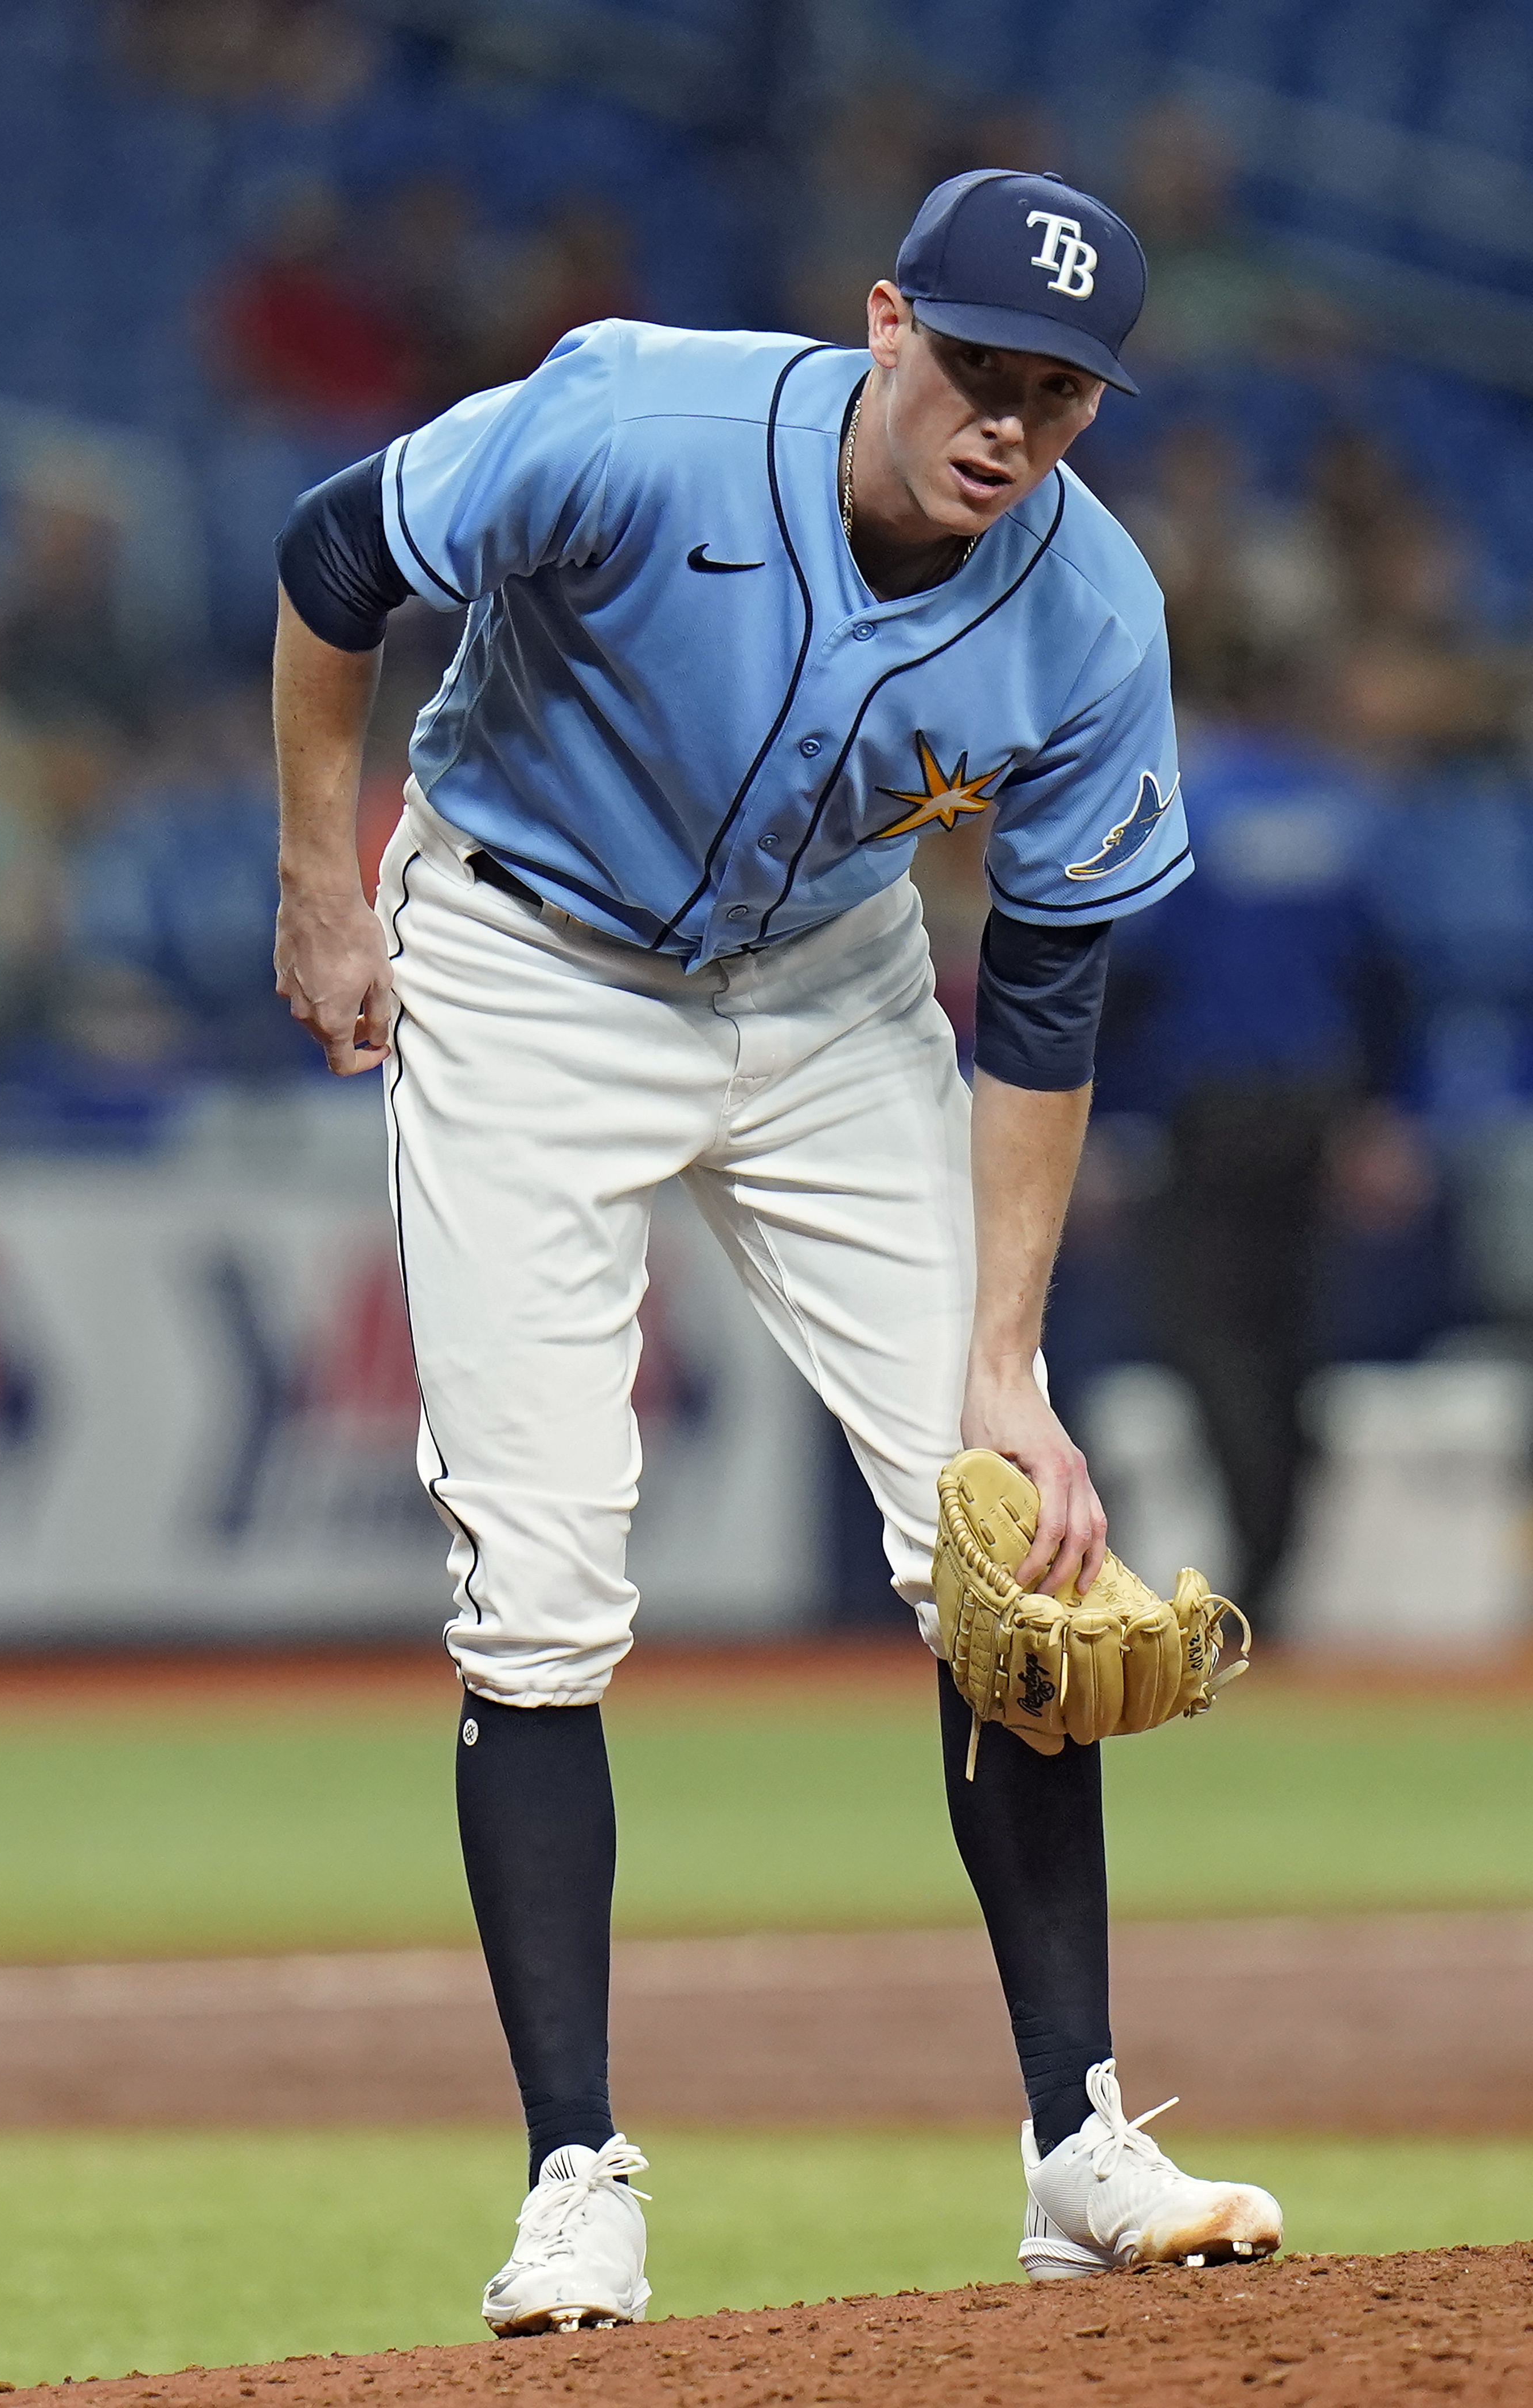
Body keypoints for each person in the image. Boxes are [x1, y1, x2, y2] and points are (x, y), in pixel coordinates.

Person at [271, 169, 1282, 2327]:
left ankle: (1078, 2141)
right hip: (529, 958)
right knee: (540, 1576)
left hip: (825, 988)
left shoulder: (1091, 611)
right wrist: (318, 879)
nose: (1011, 422)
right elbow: (335, 554)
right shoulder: (640, 424)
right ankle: (575, 2181)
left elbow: (1046, 990)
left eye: (1063, 396)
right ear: (886, 318)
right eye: (982, 367)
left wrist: (1006, 1357)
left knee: (998, 1530)